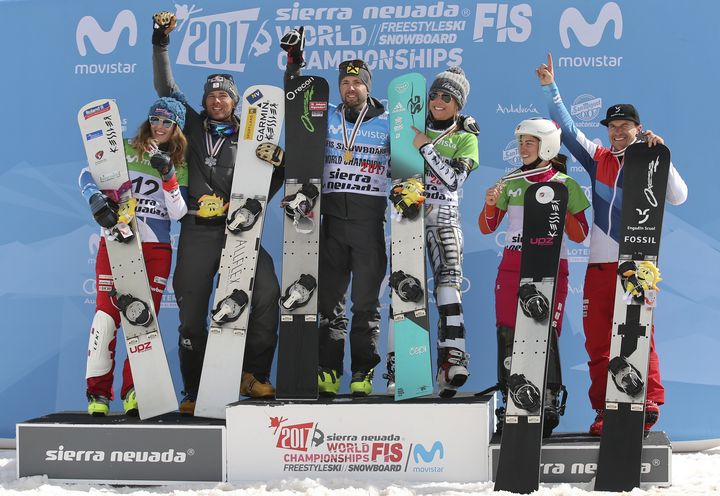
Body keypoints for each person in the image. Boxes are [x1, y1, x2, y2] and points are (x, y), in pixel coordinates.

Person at [536, 53, 688, 435]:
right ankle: (605, 408)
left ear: (639, 128)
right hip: (600, 265)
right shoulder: (598, 157)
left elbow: (679, 196)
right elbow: (568, 131)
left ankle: (648, 401)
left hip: (638, 265)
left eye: (625, 126)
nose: (617, 132)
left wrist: (660, 156)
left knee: (640, 333)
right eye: (612, 126)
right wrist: (550, 87)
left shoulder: (651, 158)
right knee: (598, 341)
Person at [151, 12, 283, 413]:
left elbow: (276, 174)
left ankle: (253, 374)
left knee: (267, 294)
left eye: (224, 95)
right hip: (197, 229)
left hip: (241, 230)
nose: (216, 100)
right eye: (211, 95)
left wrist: (277, 168)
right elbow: (166, 86)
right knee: (191, 313)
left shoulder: (250, 133)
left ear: (235, 99)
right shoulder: (190, 125)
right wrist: (160, 42)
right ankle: (195, 388)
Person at [281, 28, 390, 396]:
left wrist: (465, 123)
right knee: (328, 302)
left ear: (368, 87)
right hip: (330, 222)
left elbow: (425, 138)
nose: (350, 88)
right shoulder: (325, 114)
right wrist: (295, 62)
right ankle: (327, 371)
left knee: (366, 304)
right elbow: (295, 97)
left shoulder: (390, 118)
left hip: (368, 220)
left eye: (357, 83)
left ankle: (362, 372)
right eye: (345, 82)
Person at [479, 117, 590, 435]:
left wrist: (563, 205)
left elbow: (580, 233)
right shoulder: (510, 181)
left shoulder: (566, 184)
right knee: (508, 334)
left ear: (548, 145)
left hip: (551, 266)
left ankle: (549, 401)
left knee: (545, 333)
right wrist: (489, 204)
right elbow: (488, 226)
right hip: (513, 265)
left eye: (530, 142)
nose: (523, 148)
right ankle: (509, 402)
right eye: (521, 142)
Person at [80, 96, 188, 416]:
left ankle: (133, 392)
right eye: (155, 119)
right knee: (106, 318)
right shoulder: (124, 148)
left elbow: (178, 213)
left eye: (167, 122)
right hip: (117, 241)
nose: (159, 126)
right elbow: (86, 173)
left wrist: (167, 175)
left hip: (155, 247)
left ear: (176, 126)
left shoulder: (179, 161)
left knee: (141, 321)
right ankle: (97, 395)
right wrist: (94, 199)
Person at [384, 67, 479, 398]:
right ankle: (400, 361)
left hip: (444, 218)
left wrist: (426, 147)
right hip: (409, 219)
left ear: (458, 104)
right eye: (434, 95)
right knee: (403, 285)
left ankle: (452, 357)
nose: (438, 102)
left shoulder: (466, 137)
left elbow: (454, 180)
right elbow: (389, 169)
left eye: (447, 97)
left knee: (448, 286)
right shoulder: (412, 128)